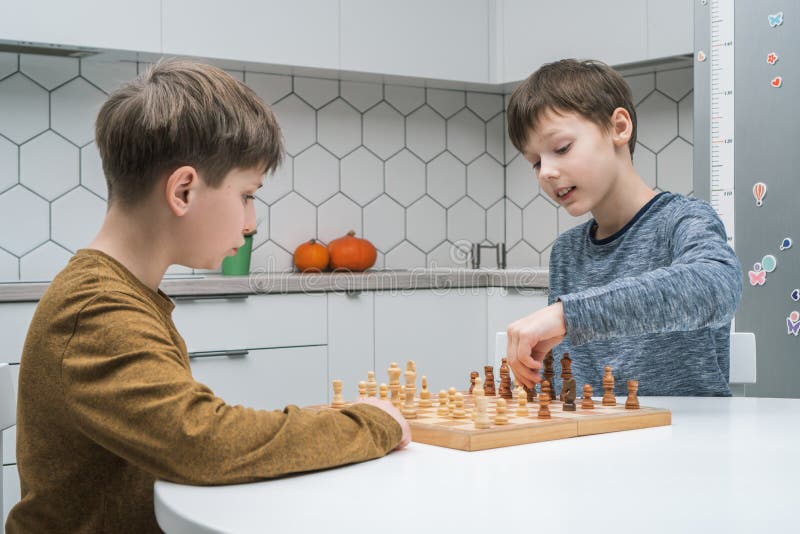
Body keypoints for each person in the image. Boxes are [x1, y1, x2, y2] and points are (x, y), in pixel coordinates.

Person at [6, 60, 410, 533]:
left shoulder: (118, 292)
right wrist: (372, 424)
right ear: (183, 191)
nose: (251, 221)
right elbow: (203, 441)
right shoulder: (96, 309)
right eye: (247, 194)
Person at [504, 59, 742, 397]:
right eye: (536, 162)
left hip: (689, 438)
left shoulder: (683, 220)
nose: (546, 172)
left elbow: (717, 286)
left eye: (561, 149)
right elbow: (564, 385)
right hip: (597, 441)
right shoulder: (567, 253)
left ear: (618, 127)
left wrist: (568, 314)